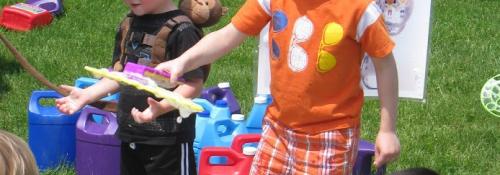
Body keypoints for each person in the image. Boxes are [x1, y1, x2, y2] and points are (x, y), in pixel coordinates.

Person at [150, 0, 401, 174]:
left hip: (329, 135)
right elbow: (228, 35)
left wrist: (387, 130)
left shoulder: (359, 8)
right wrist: (182, 62)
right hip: (277, 128)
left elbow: (385, 65)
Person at [56, 0, 210, 174]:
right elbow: (121, 75)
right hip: (130, 133)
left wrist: (162, 107)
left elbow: (193, 84)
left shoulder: (182, 30)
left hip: (168, 140)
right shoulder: (129, 23)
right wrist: (87, 95)